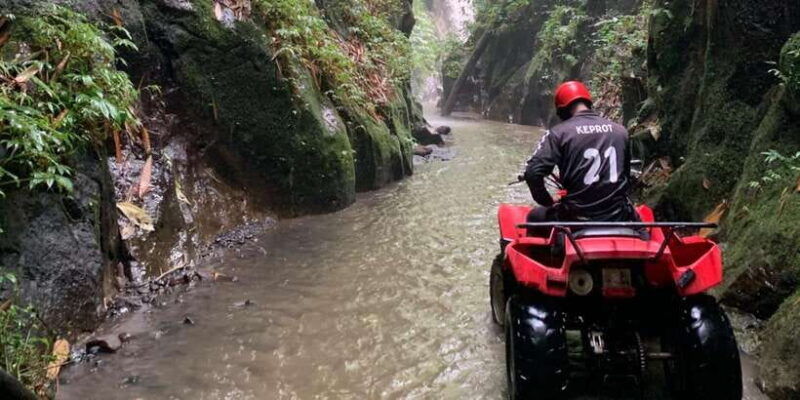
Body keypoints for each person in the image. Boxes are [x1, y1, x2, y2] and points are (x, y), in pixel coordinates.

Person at [522, 81, 637, 233]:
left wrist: (547, 201)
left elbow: (532, 172)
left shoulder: (558, 133)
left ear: (562, 110)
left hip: (576, 219)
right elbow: (626, 177)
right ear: (589, 103)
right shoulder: (621, 131)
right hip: (617, 217)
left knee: (534, 217)